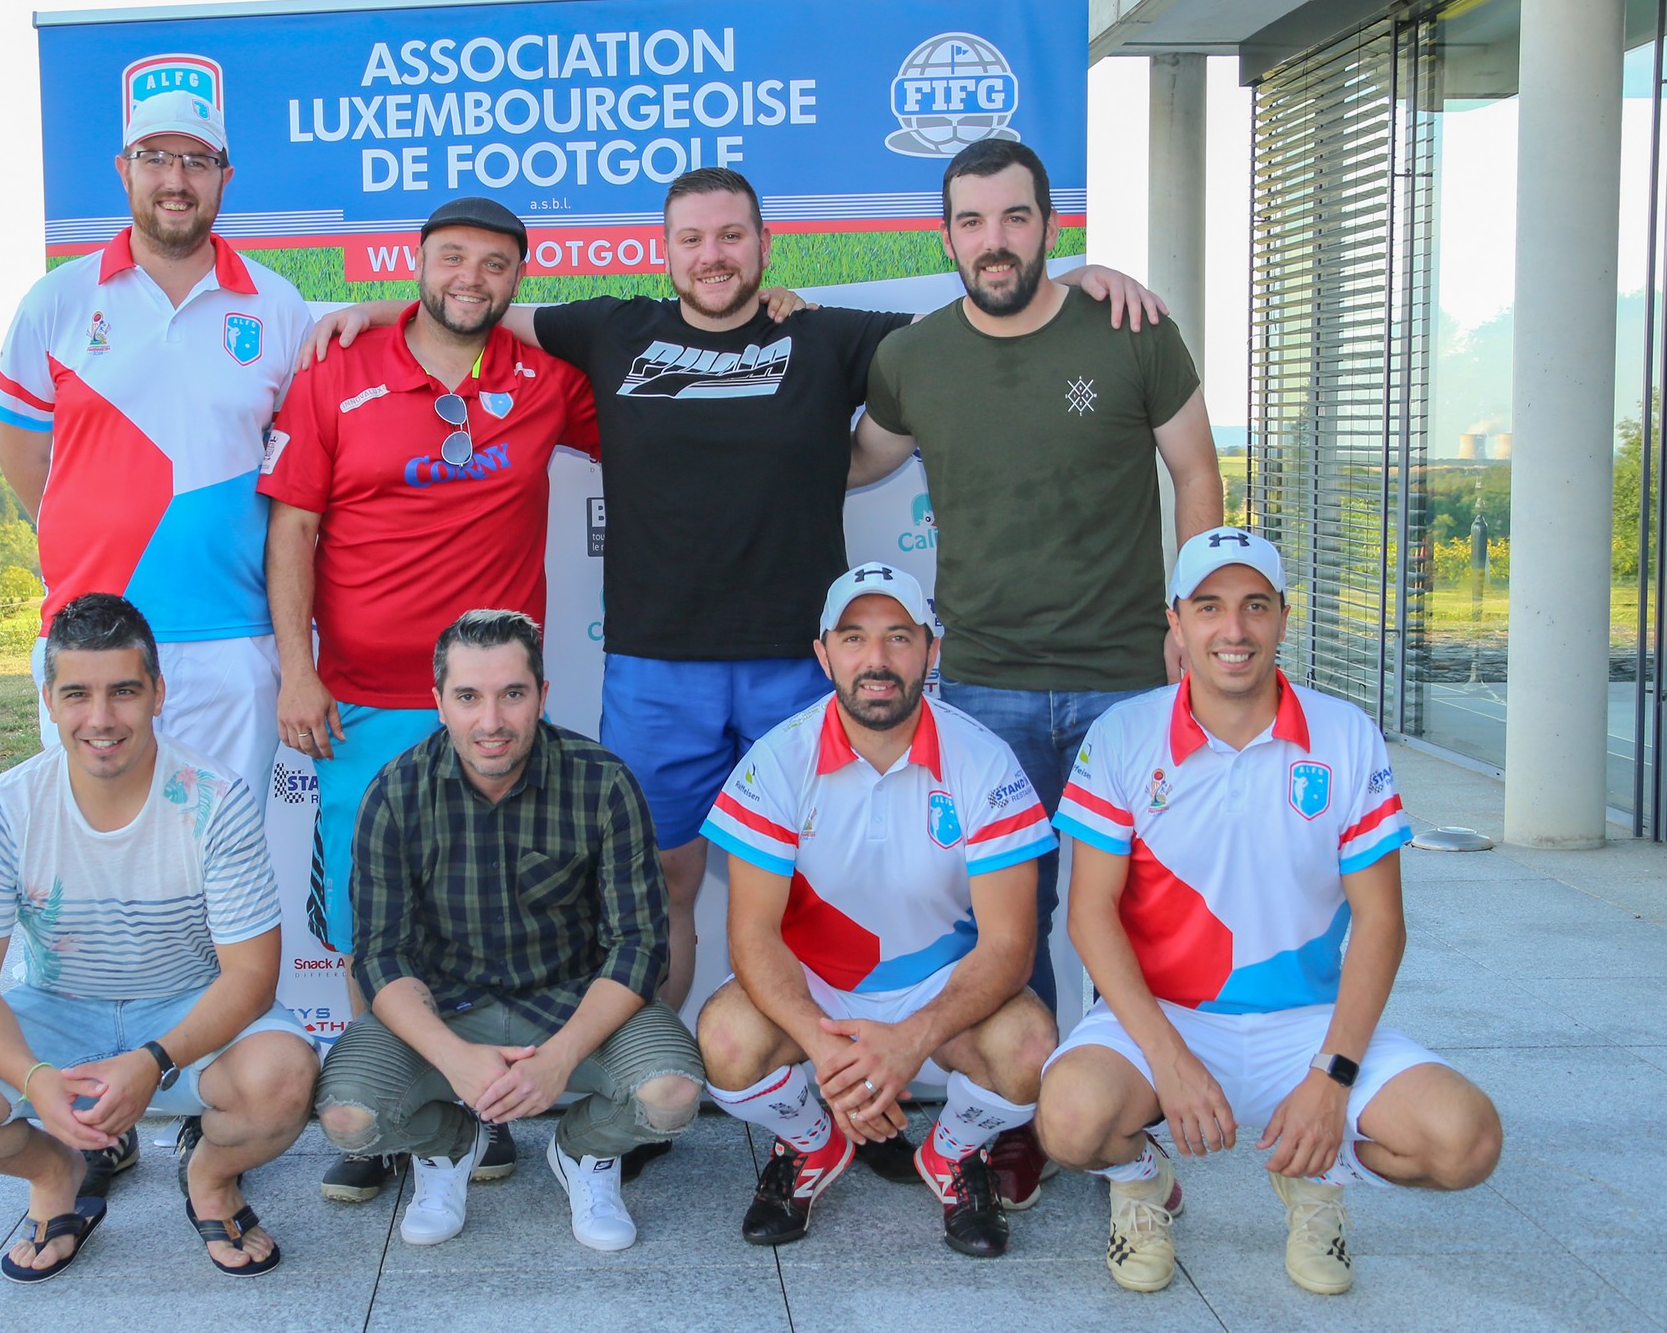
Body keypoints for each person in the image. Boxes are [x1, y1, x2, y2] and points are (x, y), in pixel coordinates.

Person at [310, 169, 1161, 1035]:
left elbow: (976, 324)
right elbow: (478, 309)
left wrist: (1078, 283)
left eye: (730, 236)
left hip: (794, 666)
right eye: (692, 239)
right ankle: (649, 1070)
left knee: (818, 882)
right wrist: (373, 313)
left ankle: (832, 1067)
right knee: (657, 884)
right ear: (665, 251)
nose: (711, 255)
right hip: (655, 669)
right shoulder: (613, 328)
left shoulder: (826, 336)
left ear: (763, 245)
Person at [851, 137, 1220, 1196]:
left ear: (1049, 224)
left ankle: (1125, 1114)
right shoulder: (915, 357)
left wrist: (1191, 616)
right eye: (972, 222)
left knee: (1134, 912)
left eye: (1015, 217)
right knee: (1005, 923)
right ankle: (1024, 1114)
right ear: (946, 236)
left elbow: (1196, 469)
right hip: (984, 687)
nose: (995, 241)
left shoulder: (1130, 330)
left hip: (1127, 684)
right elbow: (854, 460)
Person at [1039, 529, 1503, 1295]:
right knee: (1068, 1121)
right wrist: (1169, 1058)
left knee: (1466, 1143)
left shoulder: (1345, 734)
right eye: (1209, 607)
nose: (1234, 629)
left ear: (1285, 618)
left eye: (1255, 606)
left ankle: (1320, 1180)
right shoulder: (1124, 733)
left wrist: (1333, 1076)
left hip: (1308, 1025)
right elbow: (1091, 914)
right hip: (1167, 1014)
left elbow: (1382, 923)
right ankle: (1141, 1184)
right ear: (1176, 621)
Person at [0, 87, 311, 1182]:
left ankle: (207, 1095)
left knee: (221, 873)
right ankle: (92, 1105)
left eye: (197, 160)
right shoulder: (57, 300)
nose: (176, 180)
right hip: (93, 648)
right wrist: (94, 559)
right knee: (81, 874)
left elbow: (297, 477)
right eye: (156, 158)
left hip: (229, 642)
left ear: (225, 177)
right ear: (125, 170)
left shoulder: (277, 305)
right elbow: (25, 458)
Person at [262, 196, 600, 1197]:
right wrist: (295, 668)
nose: (471, 278)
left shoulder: (548, 378)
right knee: (372, 918)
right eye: (451, 257)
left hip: (496, 713)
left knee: (487, 917)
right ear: (416, 263)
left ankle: (477, 1108)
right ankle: (381, 1109)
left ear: (518, 280)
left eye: (494, 264)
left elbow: (660, 390)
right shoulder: (335, 370)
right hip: (363, 704)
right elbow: (293, 529)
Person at [0, 593, 318, 1282]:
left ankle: (211, 1178)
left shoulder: (216, 798)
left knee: (285, 1078)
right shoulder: (3, 807)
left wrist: (152, 1061)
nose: (101, 718)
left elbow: (250, 977)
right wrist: (35, 1080)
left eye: (124, 691)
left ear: (158, 694)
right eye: (77, 694)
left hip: (184, 1005)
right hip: (57, 1008)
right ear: (49, 701)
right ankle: (56, 1172)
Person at [696, 564, 1059, 1258]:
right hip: (820, 989)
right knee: (726, 1042)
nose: (877, 660)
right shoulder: (778, 759)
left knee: (1031, 1050)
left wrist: (910, 1040)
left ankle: (953, 1154)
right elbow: (752, 934)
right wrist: (828, 1049)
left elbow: (1010, 946)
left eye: (899, 637)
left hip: (941, 988)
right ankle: (811, 1143)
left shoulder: (984, 759)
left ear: (931, 649)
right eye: (854, 638)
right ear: (823, 653)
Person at [314, 610, 704, 1251]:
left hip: (573, 1003)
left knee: (672, 1093)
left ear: (543, 696)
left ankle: (584, 1152)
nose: (491, 721)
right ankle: (447, 1147)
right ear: (439, 701)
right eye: (468, 696)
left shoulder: (603, 782)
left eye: (512, 694)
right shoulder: (395, 792)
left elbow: (639, 946)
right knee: (347, 1116)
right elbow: (380, 955)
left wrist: (561, 1057)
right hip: (445, 1007)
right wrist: (452, 1058)